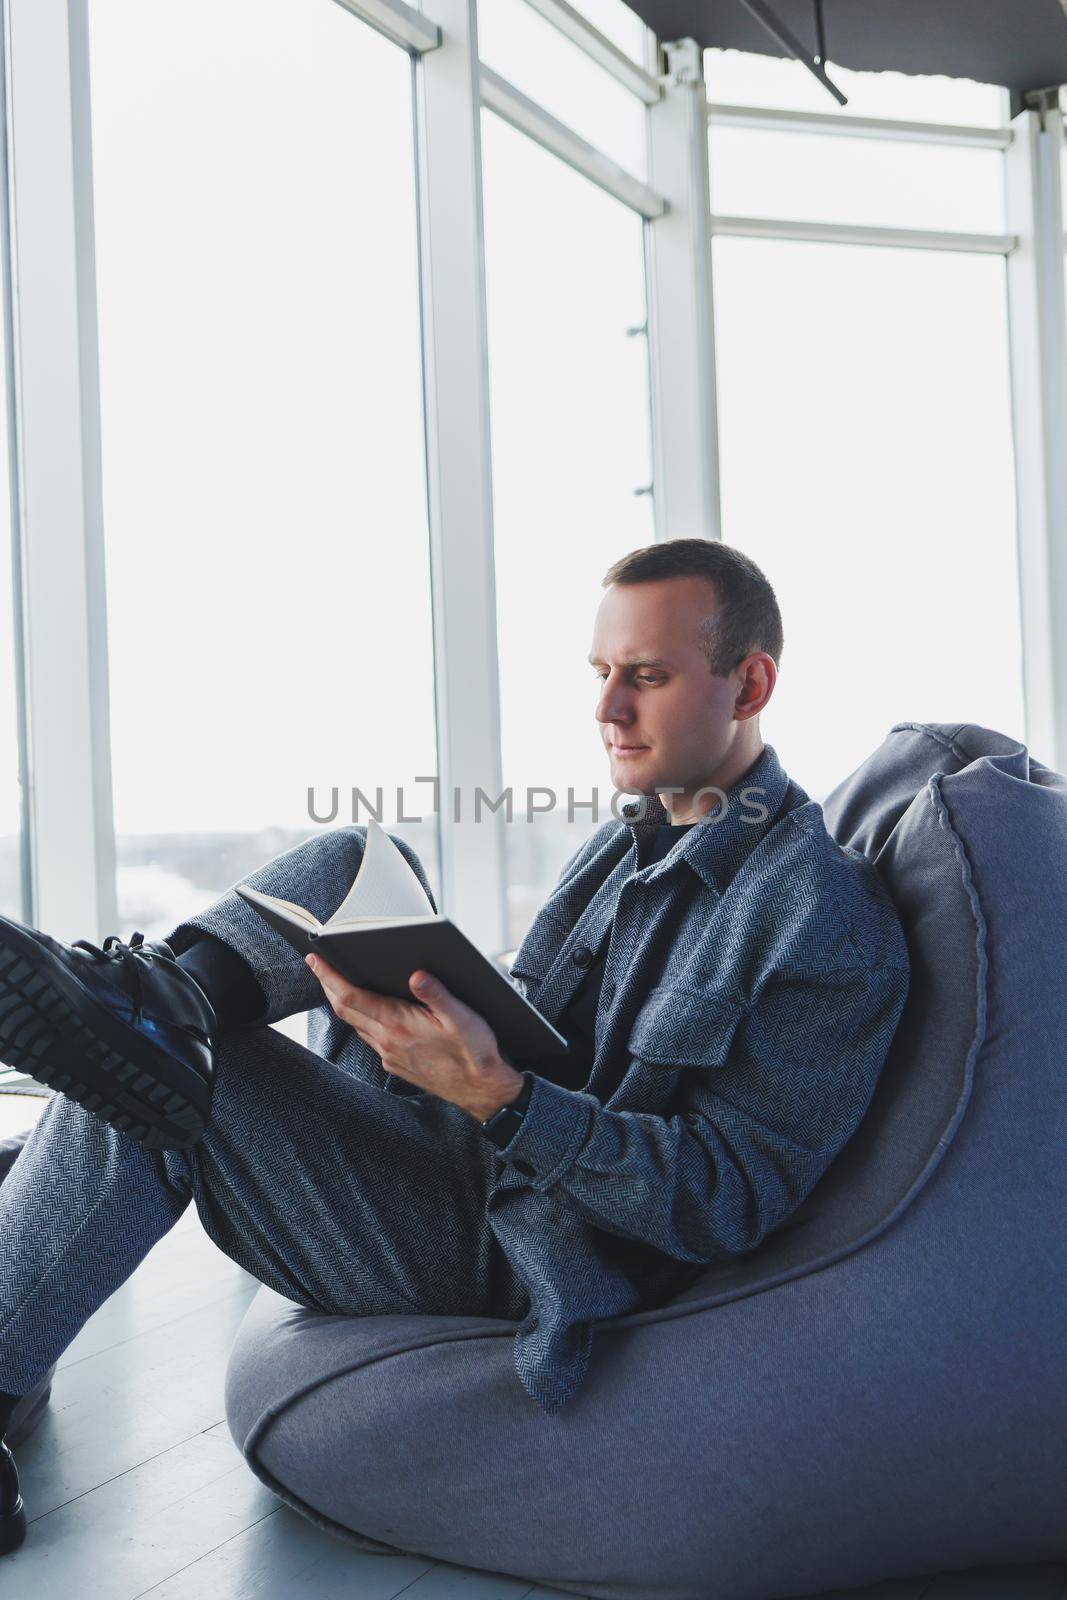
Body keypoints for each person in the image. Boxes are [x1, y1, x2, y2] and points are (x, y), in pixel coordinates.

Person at [0, 538, 910, 1555]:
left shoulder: (819, 923)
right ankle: (148, 998)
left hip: (521, 1244)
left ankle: (125, 1041)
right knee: (354, 858)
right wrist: (439, 1020)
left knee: (186, 1070)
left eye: (645, 678)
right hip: (457, 1144)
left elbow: (723, 1196)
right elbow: (546, 1025)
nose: (607, 710)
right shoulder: (627, 837)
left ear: (750, 682)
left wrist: (503, 1101)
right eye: (601, 674)